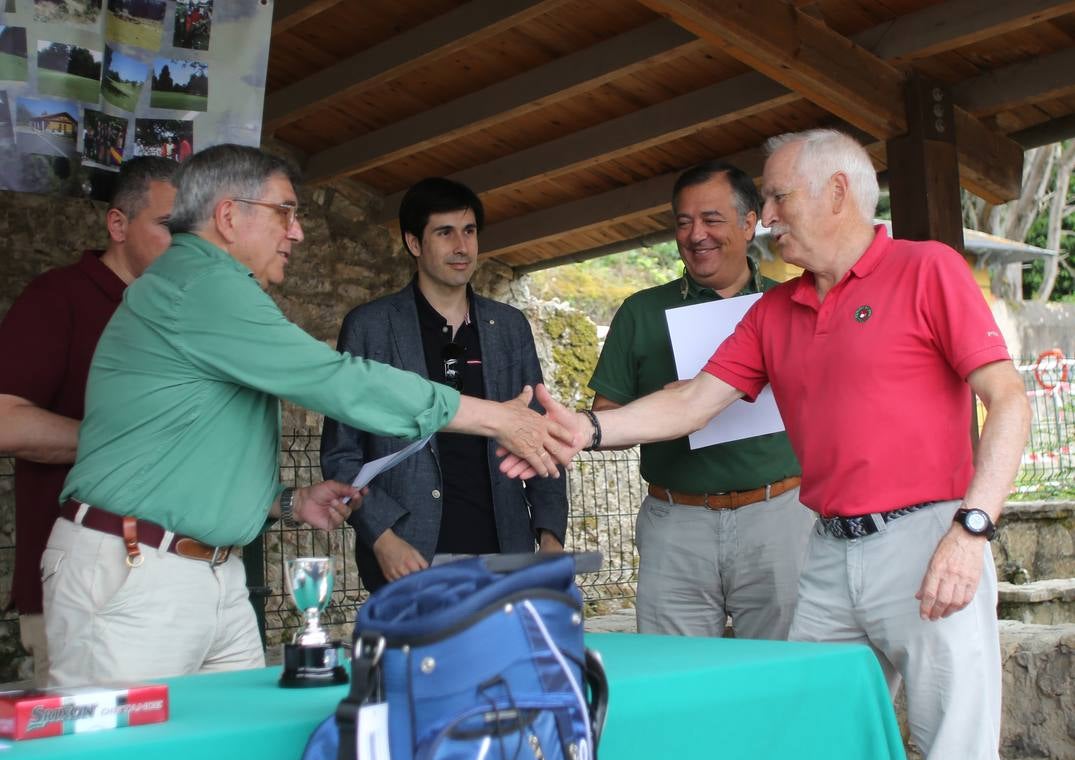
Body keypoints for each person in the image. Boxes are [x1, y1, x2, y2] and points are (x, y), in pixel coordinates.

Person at [515, 129, 1029, 760]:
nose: (764, 219)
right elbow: (694, 400)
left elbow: (1007, 401)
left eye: (777, 197)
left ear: (836, 193)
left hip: (930, 542)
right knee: (802, 747)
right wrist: (584, 431)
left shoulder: (926, 269)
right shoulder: (776, 308)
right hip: (828, 552)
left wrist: (972, 528)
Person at [43, 144, 573, 689]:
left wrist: (287, 502)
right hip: (142, 571)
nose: (296, 232)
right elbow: (335, 380)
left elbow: (194, 447)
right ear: (229, 216)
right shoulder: (201, 287)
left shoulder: (211, 289)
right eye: (285, 212)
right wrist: (494, 417)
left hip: (202, 573)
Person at [589, 161, 812, 638]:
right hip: (676, 521)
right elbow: (604, 422)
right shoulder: (640, 312)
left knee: (786, 676)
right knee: (676, 679)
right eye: (684, 222)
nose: (696, 235)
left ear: (749, 222)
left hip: (779, 515)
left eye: (711, 220)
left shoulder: (792, 304)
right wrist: (670, 404)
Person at [321, 178, 567, 591]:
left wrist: (550, 537)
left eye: (469, 231)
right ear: (414, 243)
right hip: (408, 553)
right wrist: (382, 538)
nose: (462, 246)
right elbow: (343, 454)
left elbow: (543, 436)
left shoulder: (509, 327)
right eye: (445, 232)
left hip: (505, 550)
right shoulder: (370, 327)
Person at [0, 156, 177, 687]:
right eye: (170, 227)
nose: (189, 244)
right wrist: (128, 443)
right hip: (85, 587)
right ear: (118, 225)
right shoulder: (59, 298)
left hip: (183, 580)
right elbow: (5, 422)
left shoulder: (182, 312)